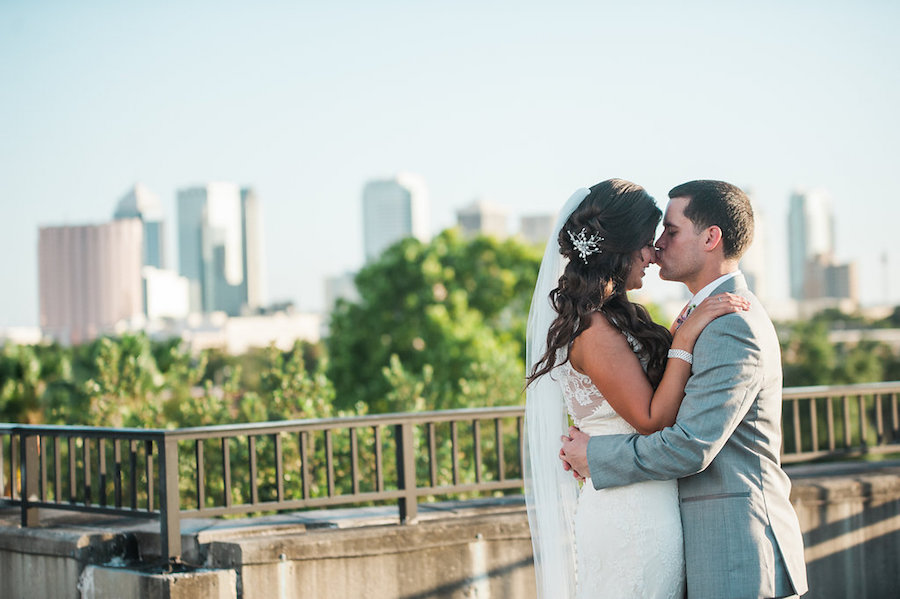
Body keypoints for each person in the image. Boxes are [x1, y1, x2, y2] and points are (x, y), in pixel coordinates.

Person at [560, 180, 808, 598]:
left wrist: (597, 454)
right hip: (677, 535)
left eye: (671, 232)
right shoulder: (696, 316)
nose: (657, 245)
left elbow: (691, 445)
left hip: (735, 549)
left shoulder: (732, 323)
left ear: (711, 238)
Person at [524, 179, 749, 599]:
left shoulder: (616, 317)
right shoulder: (594, 329)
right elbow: (651, 419)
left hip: (644, 497)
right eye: (646, 242)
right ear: (618, 249)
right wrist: (683, 341)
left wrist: (680, 330)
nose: (653, 253)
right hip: (628, 513)